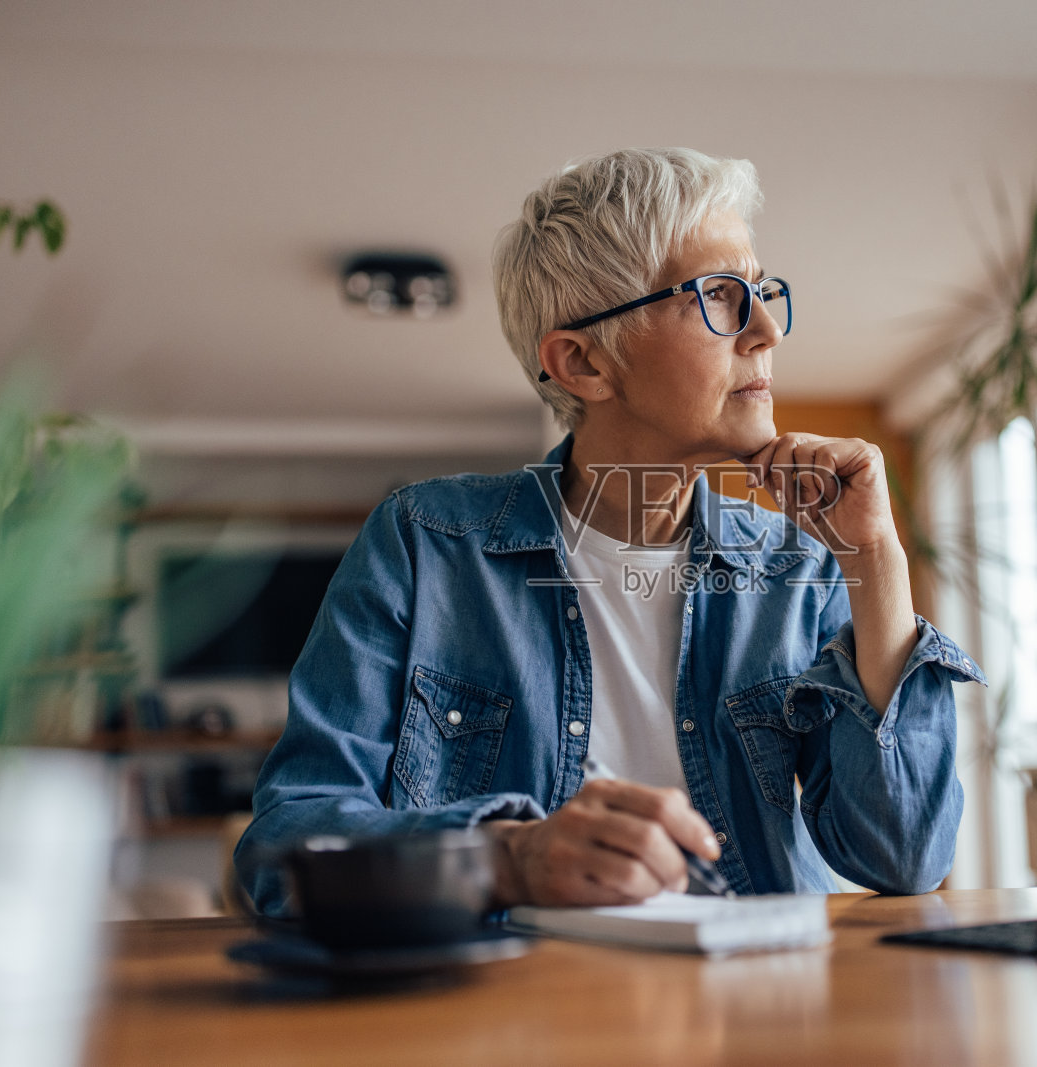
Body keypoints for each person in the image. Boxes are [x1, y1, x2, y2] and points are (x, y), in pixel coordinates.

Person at [235, 147, 985, 915]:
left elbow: (904, 858)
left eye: (761, 293)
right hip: (518, 986)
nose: (766, 330)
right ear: (583, 363)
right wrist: (508, 858)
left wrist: (877, 561)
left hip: (763, 981)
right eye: (719, 296)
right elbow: (285, 853)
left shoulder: (800, 567)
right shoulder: (424, 545)